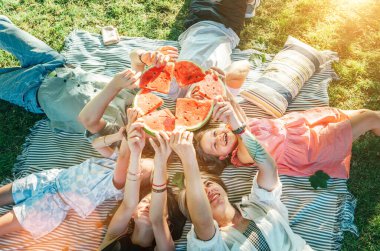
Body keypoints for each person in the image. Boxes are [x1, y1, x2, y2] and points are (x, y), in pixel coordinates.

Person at [80, 0, 259, 137]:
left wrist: (146, 56)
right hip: (226, 29)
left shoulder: (170, 87)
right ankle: (249, 5)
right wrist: (222, 79)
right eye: (201, 103)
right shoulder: (220, 97)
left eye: (192, 105)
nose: (198, 97)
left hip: (194, 25)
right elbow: (244, 66)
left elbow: (134, 57)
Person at [0, 109, 154, 239]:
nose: (137, 163)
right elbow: (97, 143)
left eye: (139, 169)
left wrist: (130, 129)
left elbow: (124, 157)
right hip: (49, 179)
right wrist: (118, 136)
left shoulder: (118, 185)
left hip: (50, 206)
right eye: (140, 160)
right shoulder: (112, 162)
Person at [0, 15, 169, 133]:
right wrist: (144, 56)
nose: (151, 116)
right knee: (4, 28)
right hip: (58, 65)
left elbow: (88, 120)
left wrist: (114, 86)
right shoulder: (141, 96)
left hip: (33, 91)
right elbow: (135, 59)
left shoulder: (118, 131)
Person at [169, 128, 313, 250]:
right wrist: (188, 158)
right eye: (199, 192)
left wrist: (240, 129)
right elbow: (203, 221)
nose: (207, 191)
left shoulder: (257, 204)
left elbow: (270, 169)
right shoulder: (207, 243)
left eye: (208, 183)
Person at [194, 96, 380, 178]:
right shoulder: (242, 154)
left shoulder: (235, 127)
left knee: (366, 113)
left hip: (301, 126)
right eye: (215, 144)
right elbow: (242, 130)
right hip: (311, 147)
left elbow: (234, 107)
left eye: (214, 133)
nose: (219, 137)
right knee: (370, 118)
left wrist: (222, 86)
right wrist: (234, 121)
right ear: (223, 156)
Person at [99, 127, 186, 250]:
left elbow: (157, 219)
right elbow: (129, 203)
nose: (147, 206)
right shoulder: (113, 237)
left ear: (168, 222)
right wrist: (135, 153)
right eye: (144, 201)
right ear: (133, 213)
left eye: (153, 204)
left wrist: (161, 163)